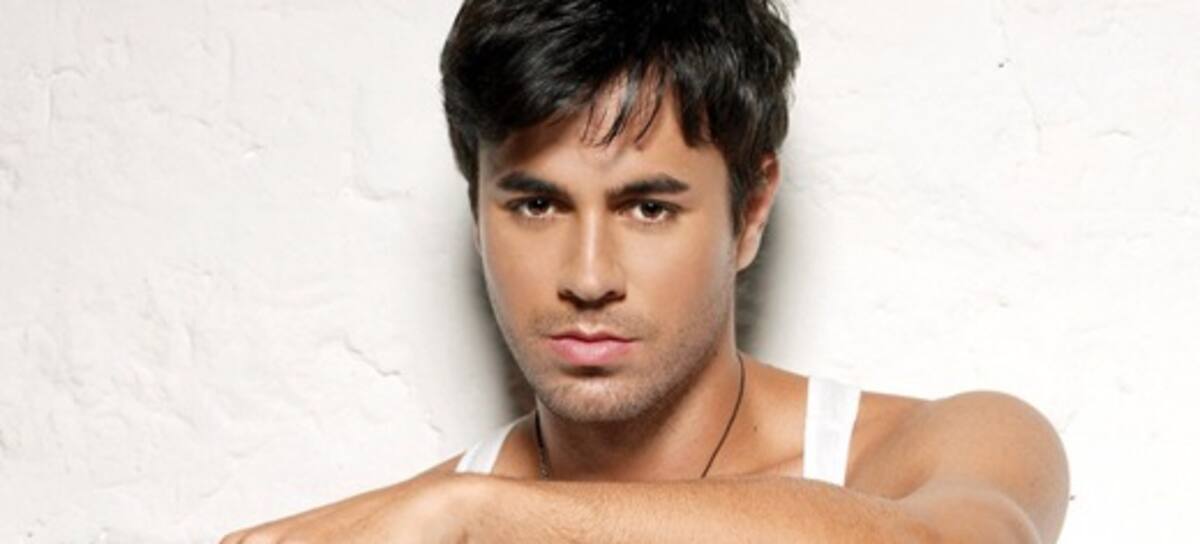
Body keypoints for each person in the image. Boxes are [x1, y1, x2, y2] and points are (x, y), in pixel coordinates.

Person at [221, 0, 1070, 541]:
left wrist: (486, 516)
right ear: (475, 207)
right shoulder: (420, 524)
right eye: (537, 205)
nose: (589, 277)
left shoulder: (918, 452)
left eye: (648, 208)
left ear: (751, 210)